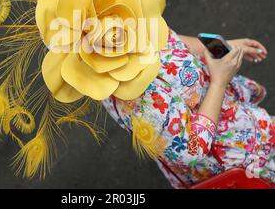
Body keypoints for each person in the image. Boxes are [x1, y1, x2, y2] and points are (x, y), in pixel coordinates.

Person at [102, 31, 275, 188]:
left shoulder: (125, 19)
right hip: (233, 155)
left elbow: (169, 40)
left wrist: (221, 47)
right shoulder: (133, 96)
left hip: (239, 121)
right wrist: (219, 82)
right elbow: (190, 149)